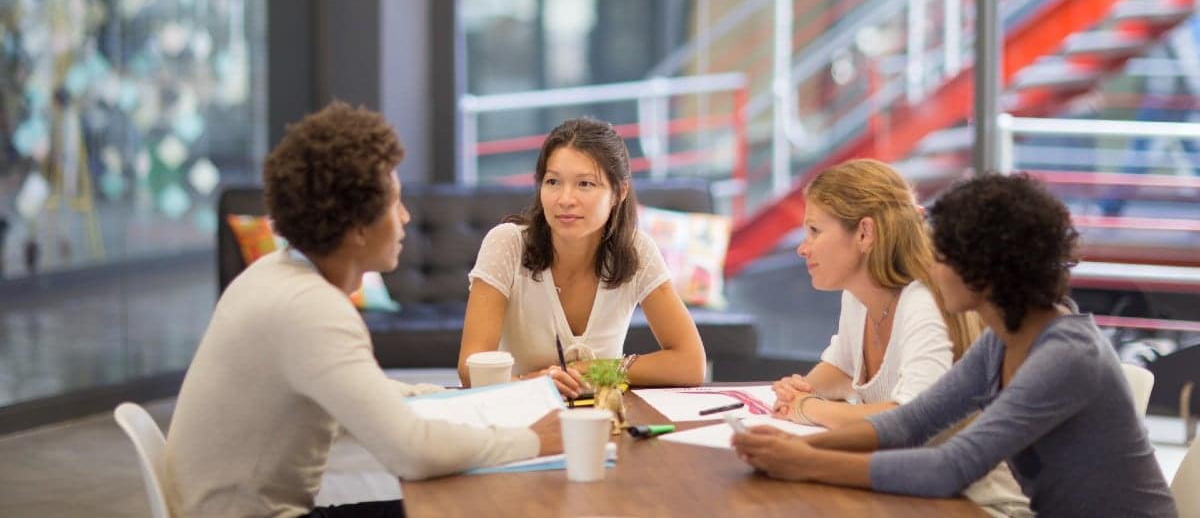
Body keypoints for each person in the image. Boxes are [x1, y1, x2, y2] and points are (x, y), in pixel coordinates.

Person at [165, 102, 562, 518]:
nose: (406, 217)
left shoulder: (278, 273)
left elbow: (363, 389)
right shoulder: (310, 310)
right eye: (395, 203)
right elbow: (412, 452)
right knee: (475, 504)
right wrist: (535, 439)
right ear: (357, 225)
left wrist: (442, 396)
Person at [733, 173, 1177, 517]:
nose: (932, 268)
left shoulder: (1065, 355)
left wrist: (803, 462)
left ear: (984, 270)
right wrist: (800, 449)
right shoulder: (1004, 339)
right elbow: (910, 424)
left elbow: (952, 467)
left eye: (942, 257)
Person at [457, 118, 706, 398]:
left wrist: (600, 369)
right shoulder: (507, 244)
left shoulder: (636, 250)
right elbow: (470, 369)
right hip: (520, 415)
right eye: (553, 182)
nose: (565, 198)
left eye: (585, 184)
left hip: (603, 421)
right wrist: (532, 384)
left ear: (619, 192)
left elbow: (691, 364)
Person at [768, 159, 980, 430]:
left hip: (961, 472)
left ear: (865, 233)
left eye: (814, 231)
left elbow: (912, 417)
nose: (802, 249)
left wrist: (807, 407)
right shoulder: (857, 296)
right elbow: (841, 368)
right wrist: (799, 390)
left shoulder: (922, 301)